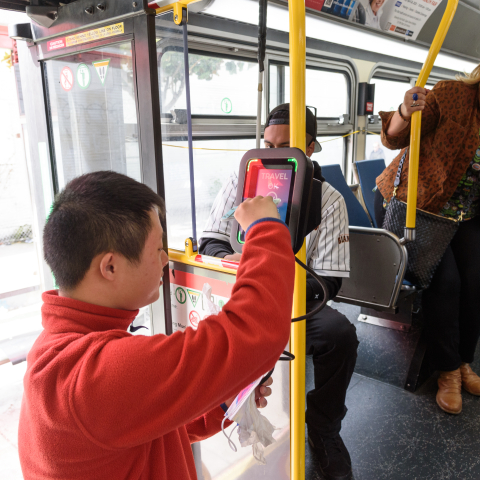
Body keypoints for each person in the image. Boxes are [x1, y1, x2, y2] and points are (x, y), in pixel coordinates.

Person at [18, 171, 296, 479]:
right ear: (110, 266)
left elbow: (145, 426)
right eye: (157, 249)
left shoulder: (58, 349)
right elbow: (254, 331)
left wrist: (220, 400)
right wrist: (265, 227)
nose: (165, 259)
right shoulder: (94, 375)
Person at [200, 104, 359, 480]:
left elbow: (328, 281)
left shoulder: (329, 200)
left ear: (311, 147)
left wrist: (273, 284)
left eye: (285, 145)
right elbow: (211, 244)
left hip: (295, 301)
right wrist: (248, 276)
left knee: (341, 336)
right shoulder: (241, 182)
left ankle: (323, 426)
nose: (273, 154)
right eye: (268, 143)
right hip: (241, 293)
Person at [374, 67, 480, 415]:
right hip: (416, 206)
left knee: (475, 281)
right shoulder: (452, 94)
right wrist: (404, 113)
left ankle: (464, 361)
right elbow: (393, 138)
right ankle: (447, 371)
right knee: (445, 281)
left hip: (465, 213)